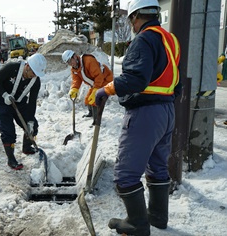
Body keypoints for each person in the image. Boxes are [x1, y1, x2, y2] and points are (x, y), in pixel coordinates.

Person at [95, 0, 181, 235]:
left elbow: (135, 79)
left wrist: (106, 90)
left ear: (135, 17)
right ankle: (157, 217)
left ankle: (137, 224)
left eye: (130, 20)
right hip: (167, 111)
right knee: (157, 167)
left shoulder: (143, 39)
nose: (131, 25)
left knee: (125, 174)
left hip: (145, 114)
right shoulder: (170, 39)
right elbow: (177, 82)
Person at [0, 53, 47, 170]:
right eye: (33, 73)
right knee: (8, 131)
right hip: (3, 101)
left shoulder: (35, 81)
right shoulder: (12, 68)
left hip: (19, 102)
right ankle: (11, 159)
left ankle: (26, 147)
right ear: (27, 66)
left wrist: (30, 120)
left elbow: (32, 102)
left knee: (32, 126)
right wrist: (5, 94)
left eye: (36, 74)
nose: (34, 76)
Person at [62, 50, 113, 124]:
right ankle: (91, 113)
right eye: (68, 63)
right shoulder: (75, 69)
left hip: (105, 79)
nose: (71, 64)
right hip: (95, 82)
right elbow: (76, 80)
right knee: (88, 99)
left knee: (95, 99)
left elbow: (99, 76)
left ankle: (97, 120)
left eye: (71, 61)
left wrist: (96, 90)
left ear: (75, 56)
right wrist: (74, 89)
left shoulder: (88, 61)